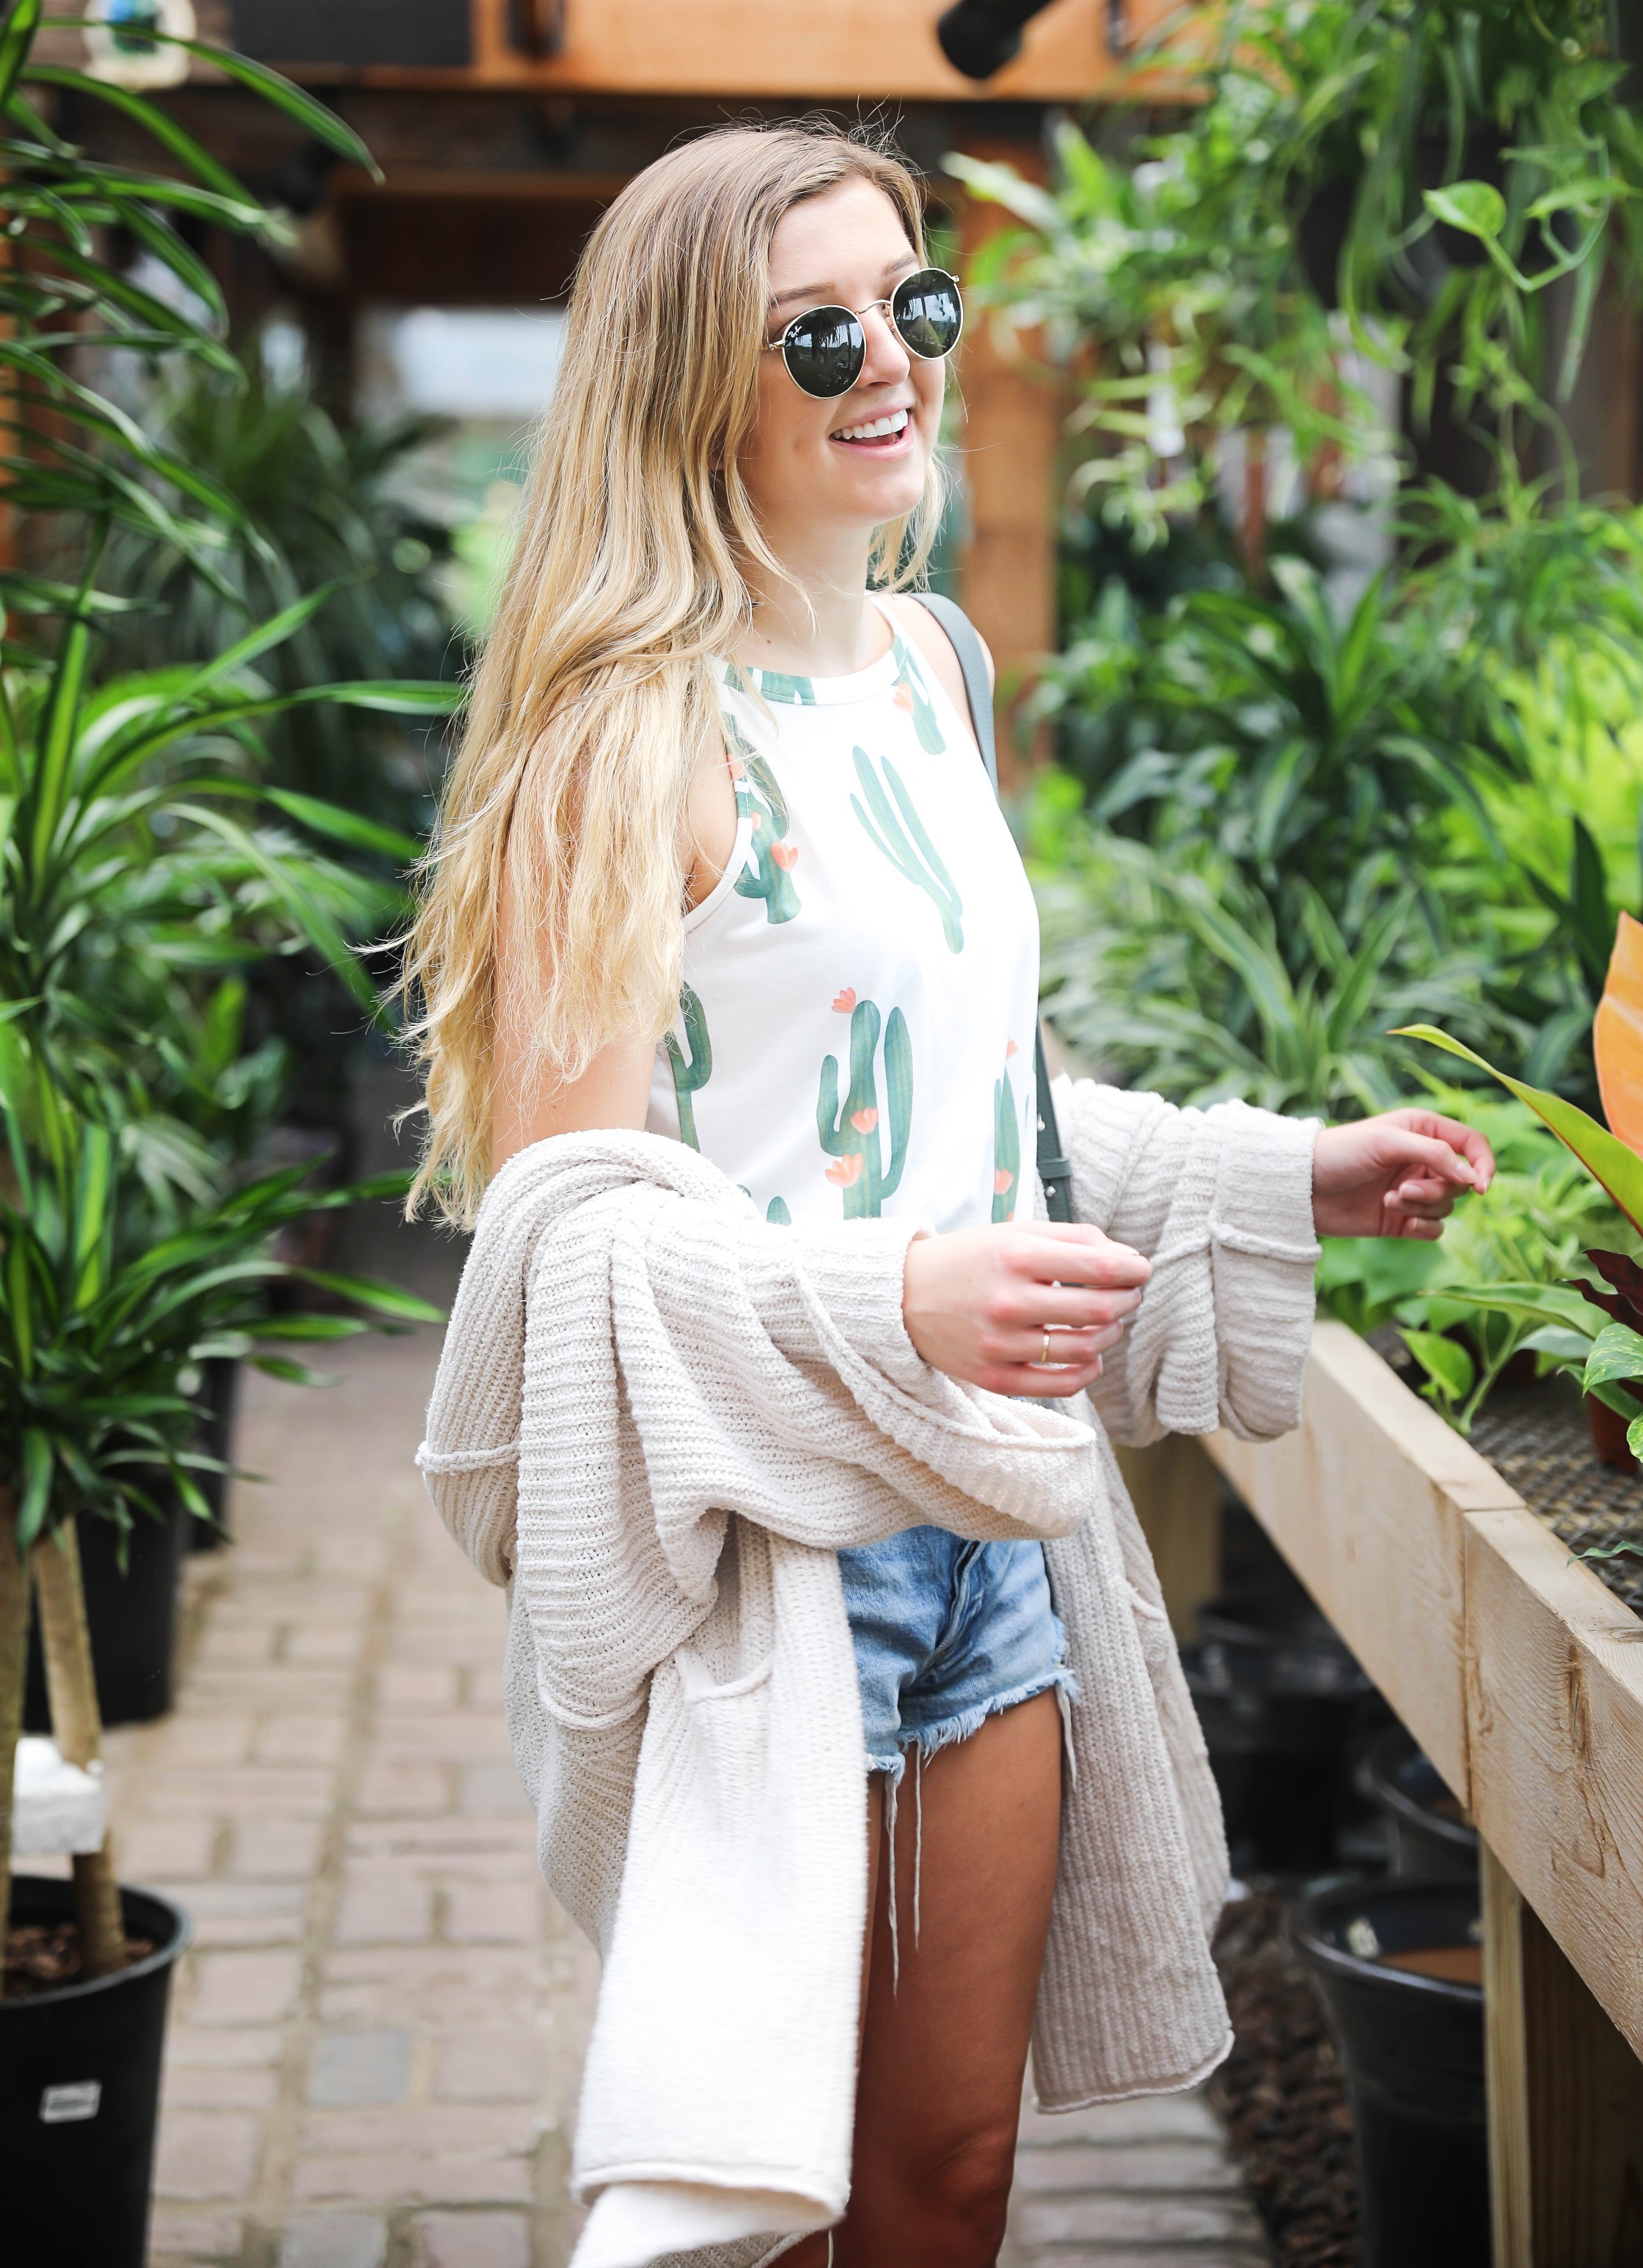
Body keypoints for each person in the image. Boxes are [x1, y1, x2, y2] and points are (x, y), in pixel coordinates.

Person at [406, 120, 1494, 2268]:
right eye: (822, 328)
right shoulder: (620, 744)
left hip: (993, 1526)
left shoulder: (929, 677)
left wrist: (1286, 1181)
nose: (891, 360)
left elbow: (979, 1116)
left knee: (953, 2182)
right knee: (773, 2205)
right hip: (767, 1566)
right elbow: (562, 1250)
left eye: (916, 302)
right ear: (683, 380)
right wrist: (895, 1304)